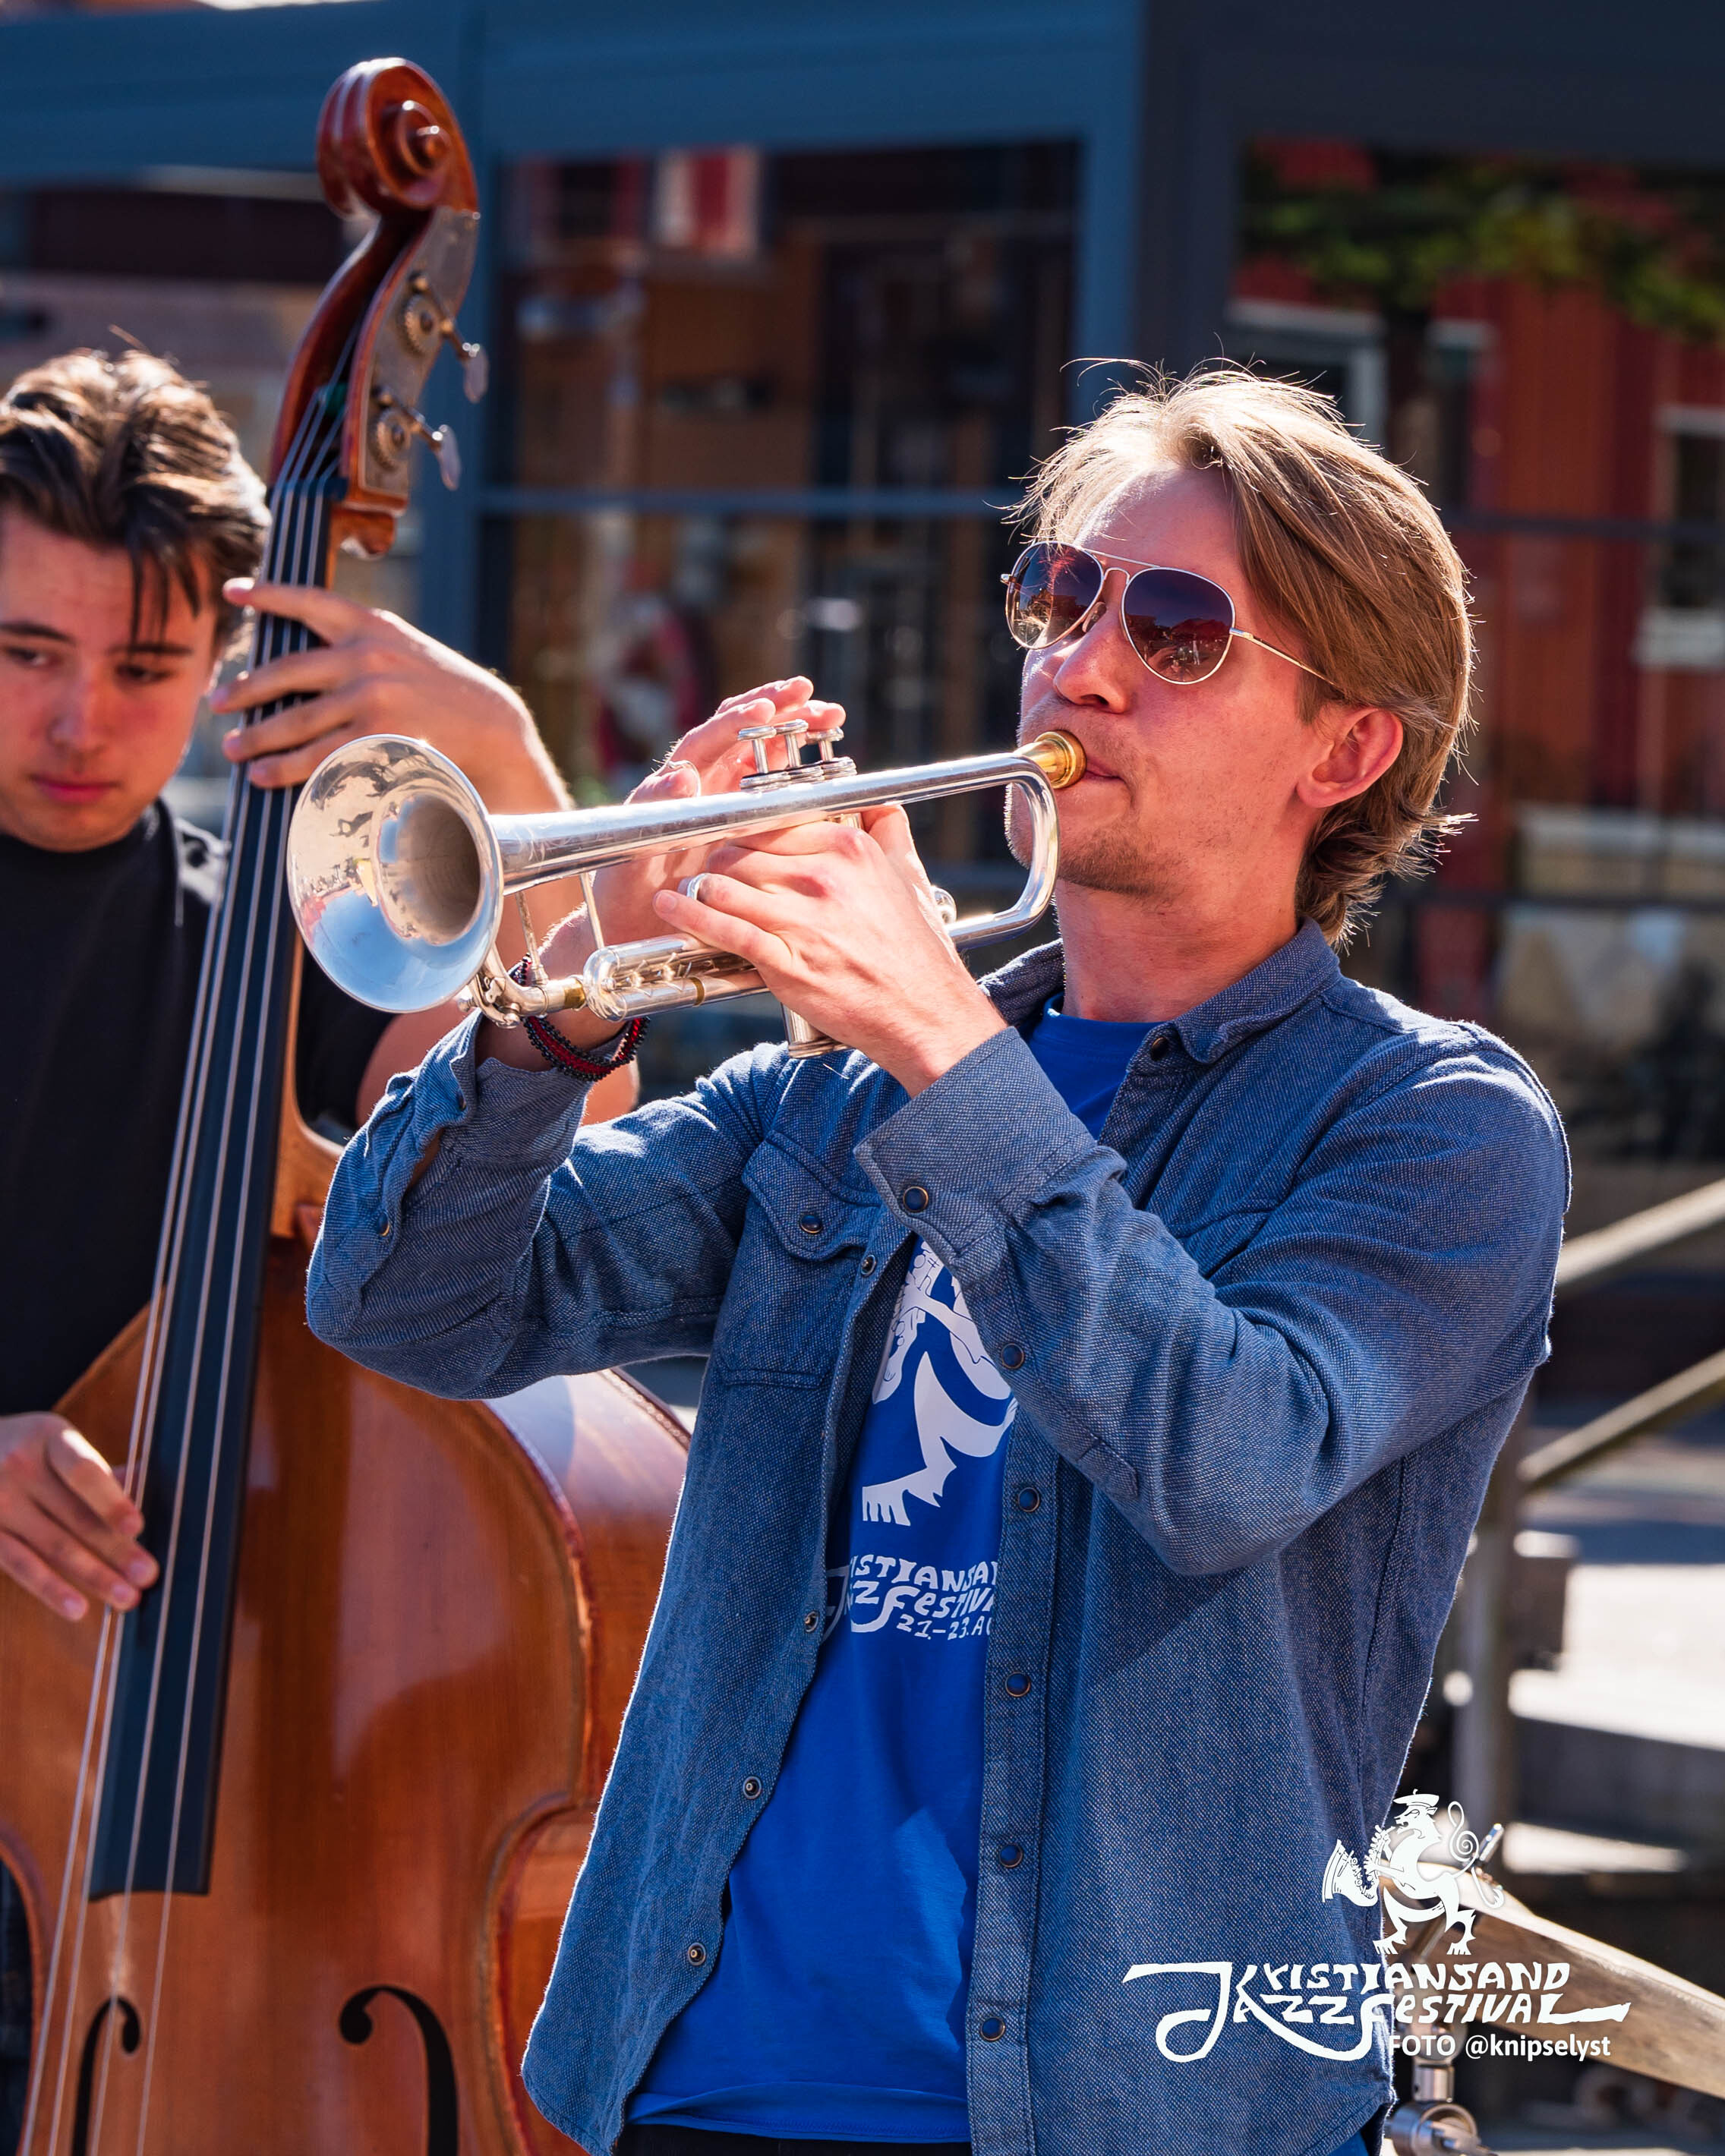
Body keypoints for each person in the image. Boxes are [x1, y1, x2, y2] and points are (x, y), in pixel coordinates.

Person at [304, 367, 1569, 2156]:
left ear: (1344, 749)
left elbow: (1222, 1458)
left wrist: (938, 1046)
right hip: (699, 2078)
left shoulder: (1432, 1127)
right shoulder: (830, 1091)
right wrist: (571, 981)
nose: (1083, 664)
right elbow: (407, 1305)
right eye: (1058, 597)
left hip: (1114, 2109)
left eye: (1179, 629)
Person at [0, 347, 630, 2147]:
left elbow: (544, 1118)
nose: (78, 723)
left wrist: (501, 762)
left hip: (179, 1849)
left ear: (219, 667)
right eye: (24, 653)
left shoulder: (269, 952)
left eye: (141, 668)